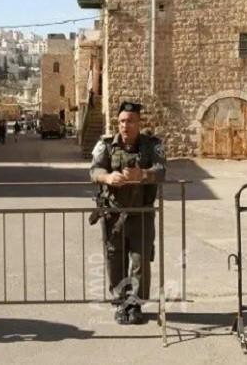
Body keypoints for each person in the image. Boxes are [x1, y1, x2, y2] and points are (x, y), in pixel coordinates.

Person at [90, 101, 166, 325]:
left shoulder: (152, 145)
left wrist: (142, 175)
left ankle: (136, 305)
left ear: (139, 123)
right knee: (115, 259)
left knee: (140, 261)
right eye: (122, 121)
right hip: (113, 214)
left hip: (141, 213)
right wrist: (107, 177)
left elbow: (161, 170)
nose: (125, 125)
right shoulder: (106, 144)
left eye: (131, 121)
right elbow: (94, 169)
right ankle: (121, 303)